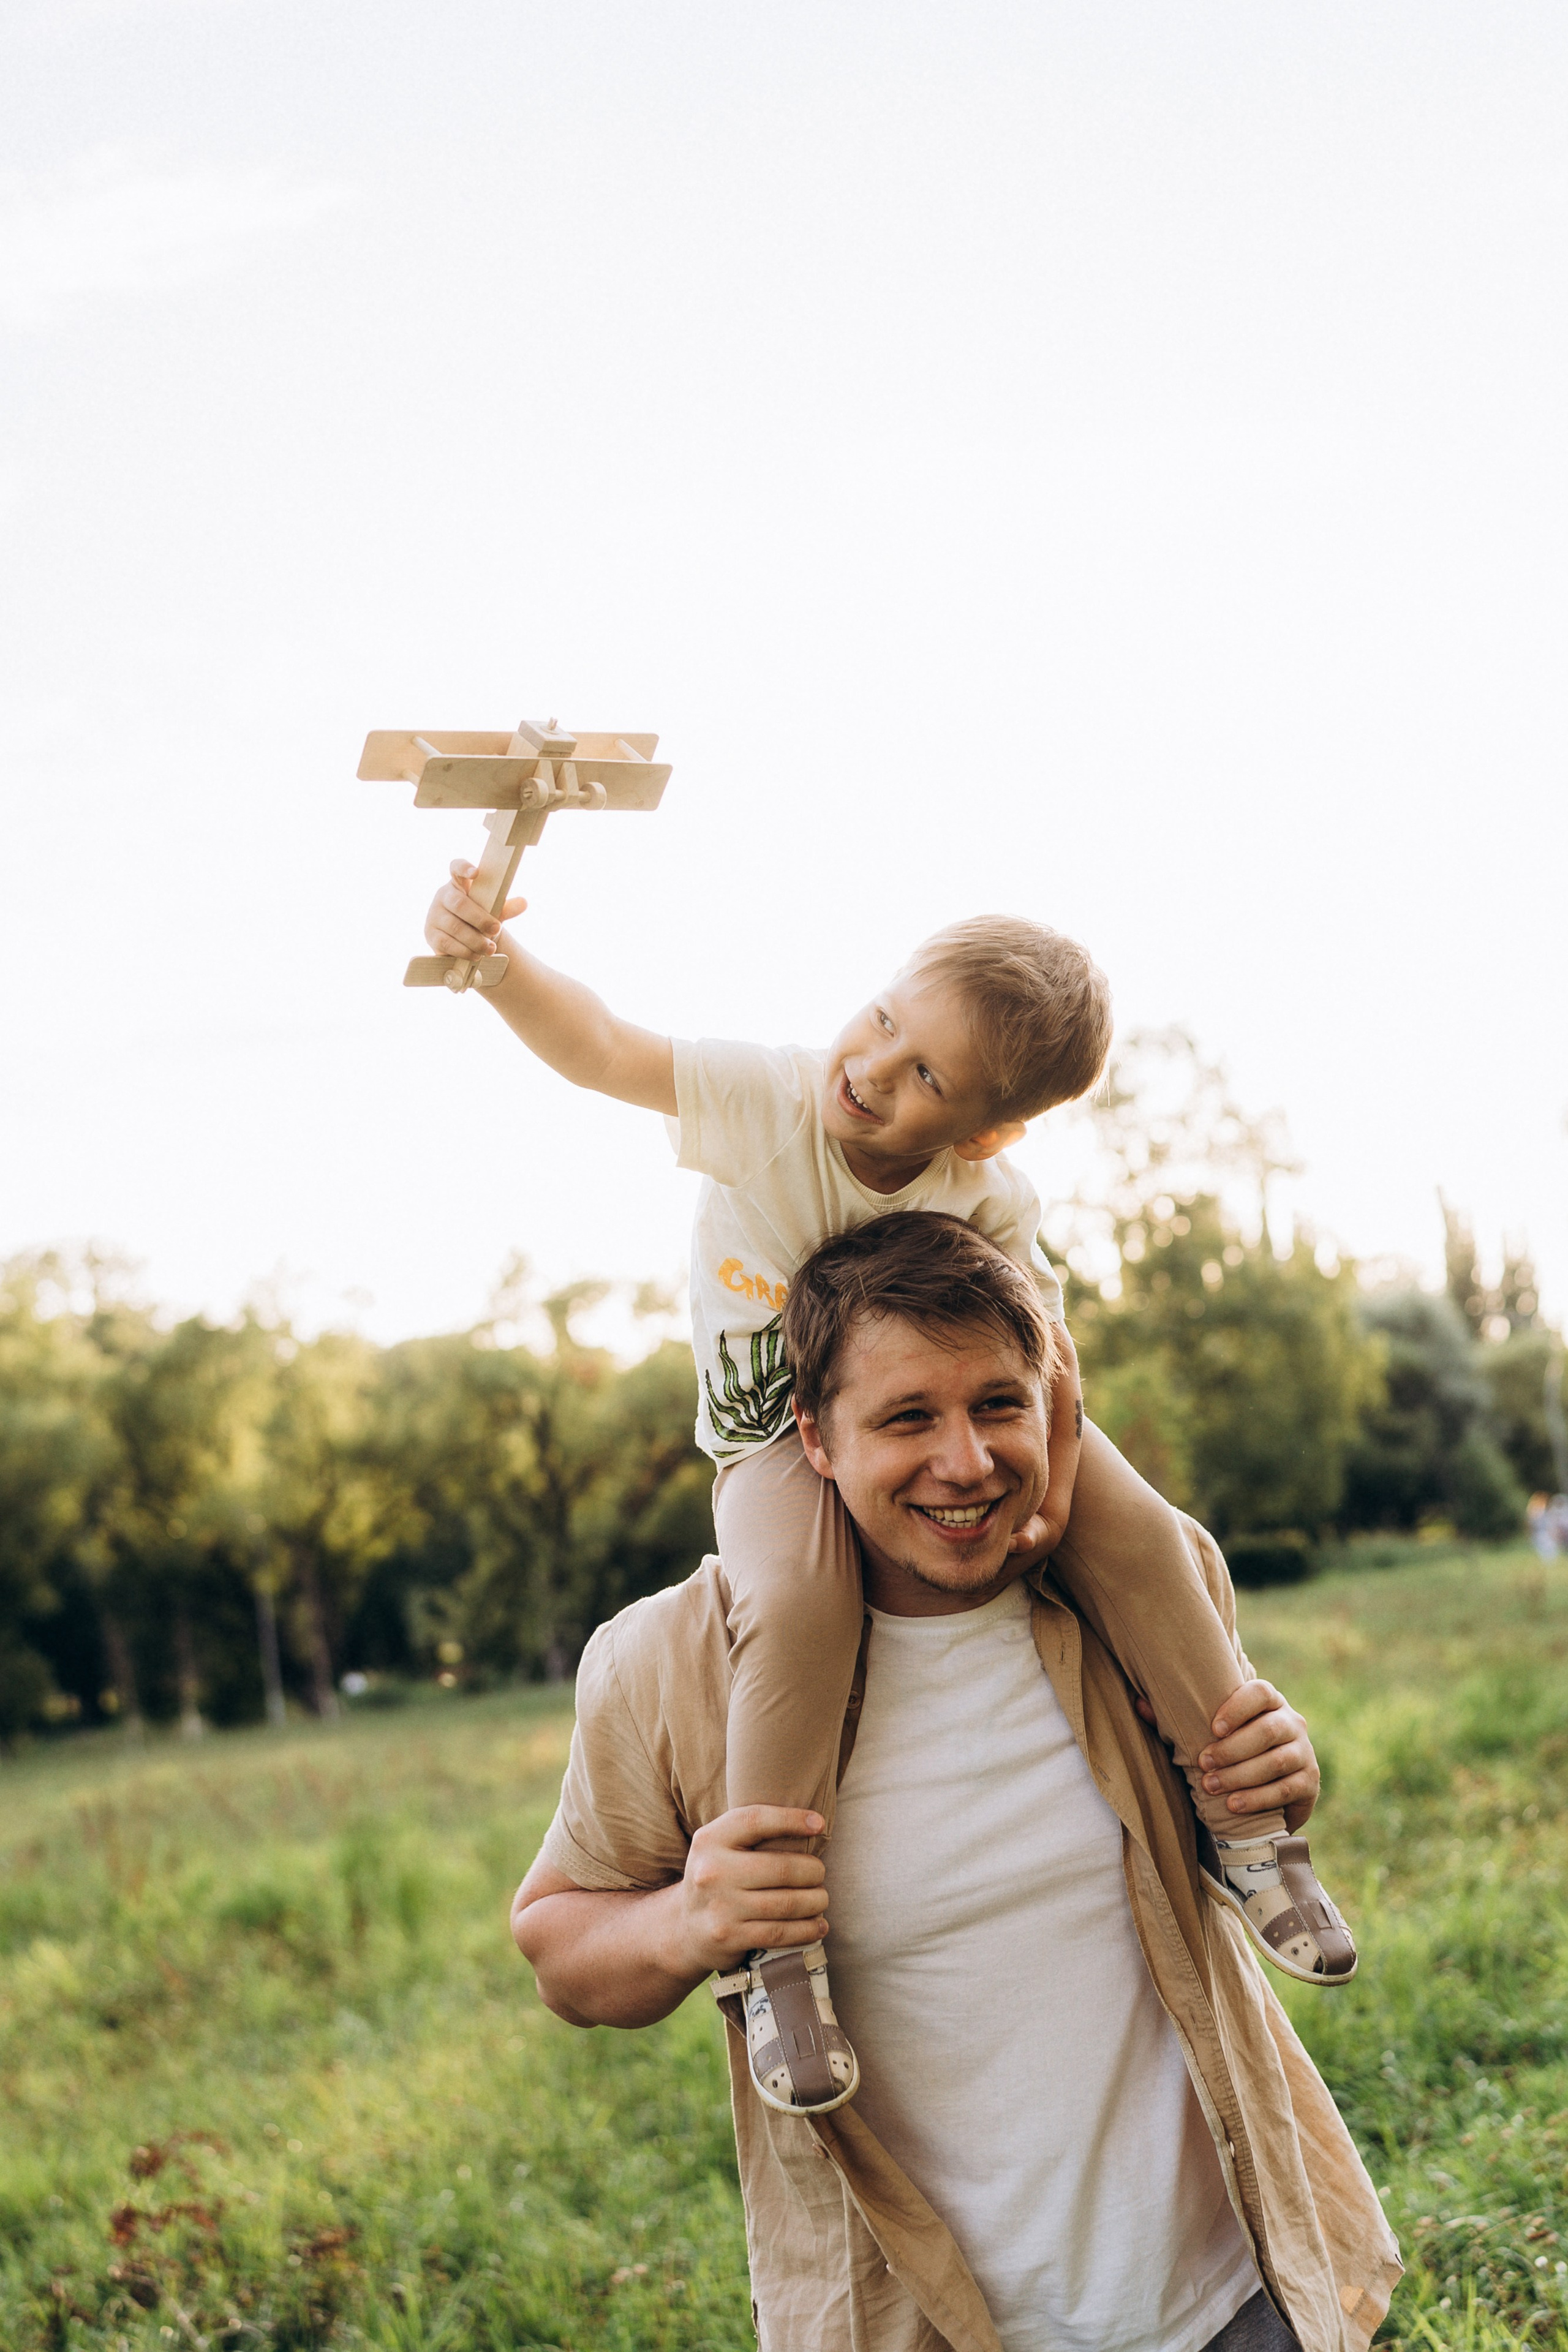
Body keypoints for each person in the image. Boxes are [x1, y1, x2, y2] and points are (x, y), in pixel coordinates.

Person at [424, 870, 1355, 2116]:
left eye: (925, 1075)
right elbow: (602, 1049)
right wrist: (494, 966)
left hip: (955, 1400)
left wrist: (1058, 1488)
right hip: (768, 1438)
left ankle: (1246, 1827)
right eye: (881, 1020)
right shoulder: (770, 1099)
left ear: (980, 1133)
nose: (871, 1067)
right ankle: (777, 1955)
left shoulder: (989, 1200)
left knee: (1134, 1526)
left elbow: (1044, 1368)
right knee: (799, 1604)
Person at [511, 1215, 1401, 2352]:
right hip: (925, 2325)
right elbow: (558, 1951)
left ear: (1051, 1402)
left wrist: (1273, 1778)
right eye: (906, 1418)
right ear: (813, 1438)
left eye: (997, 1404)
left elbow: (1215, 1862)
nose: (968, 1462)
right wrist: (693, 1919)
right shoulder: (669, 1668)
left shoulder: (1144, 1588)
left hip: (1233, 2297)